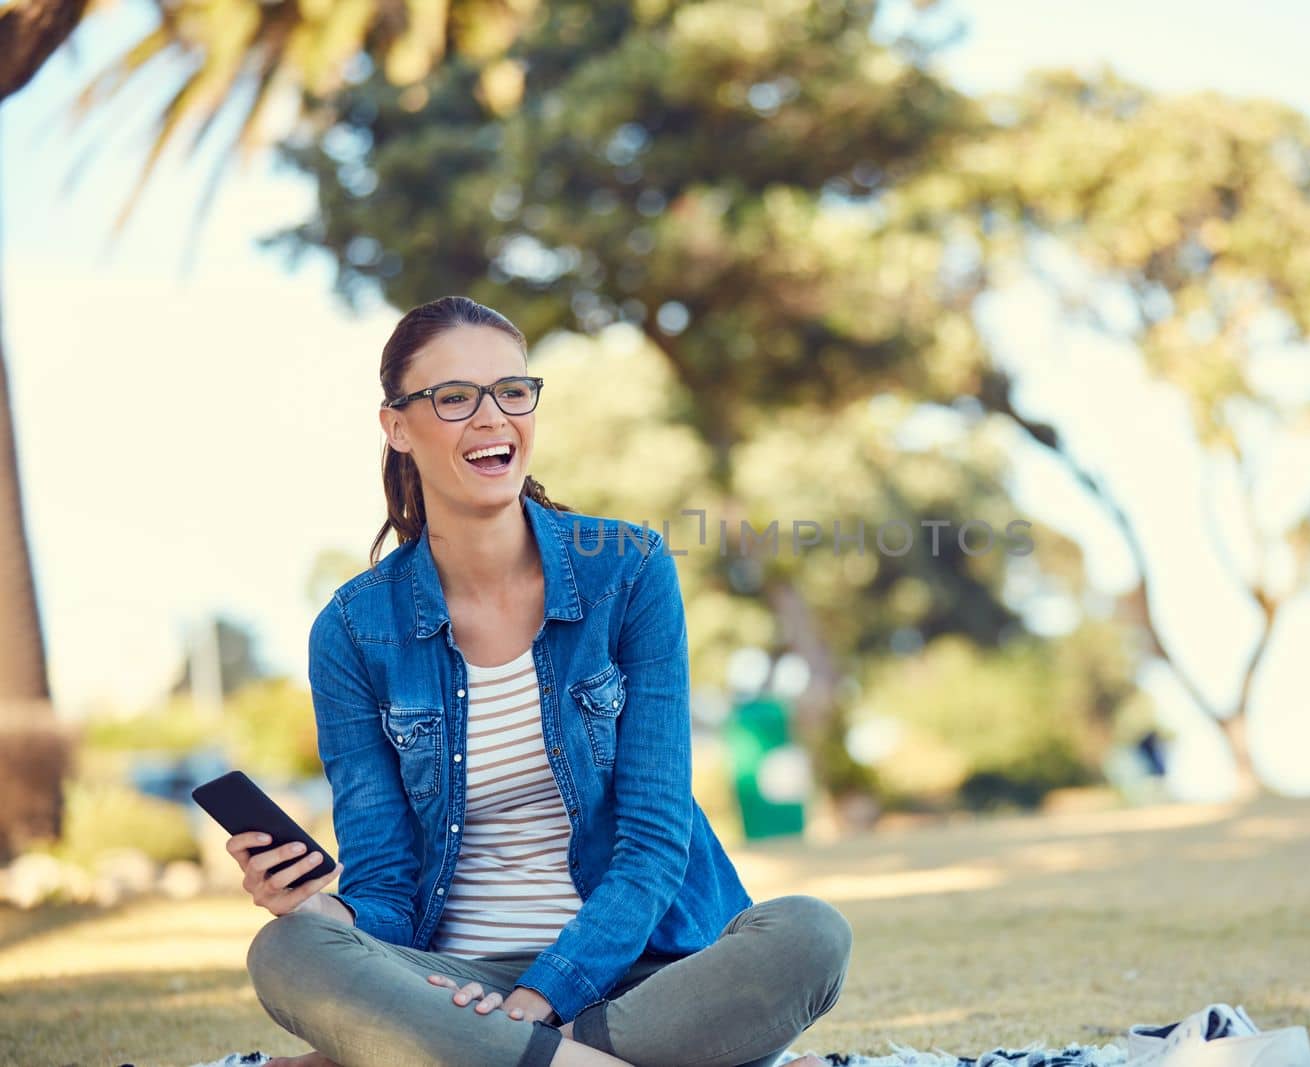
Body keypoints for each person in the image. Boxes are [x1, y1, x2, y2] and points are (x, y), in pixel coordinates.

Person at [230, 296, 851, 1067]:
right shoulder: (353, 630)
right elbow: (387, 884)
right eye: (454, 398)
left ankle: (490, 1057)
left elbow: (654, 840)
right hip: (452, 981)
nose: (492, 417)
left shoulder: (628, 570)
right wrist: (319, 906)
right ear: (397, 427)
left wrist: (539, 1000)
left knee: (810, 933)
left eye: (512, 391)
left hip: (636, 967)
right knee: (288, 949)